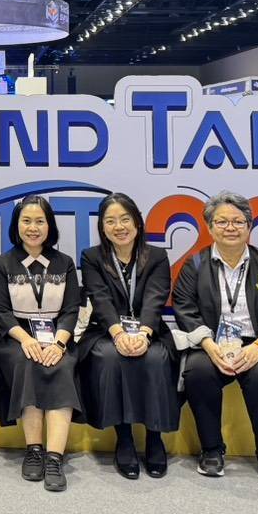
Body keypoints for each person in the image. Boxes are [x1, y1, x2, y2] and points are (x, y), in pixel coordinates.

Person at [172, 190, 258, 485]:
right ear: (209, 227)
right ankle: (211, 450)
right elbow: (184, 308)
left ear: (249, 227)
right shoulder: (195, 265)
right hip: (212, 343)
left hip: (257, 343)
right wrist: (208, 345)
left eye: (238, 222)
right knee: (198, 371)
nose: (231, 228)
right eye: (222, 221)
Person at [77, 193, 179, 479]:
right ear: (102, 226)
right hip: (106, 330)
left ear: (137, 222)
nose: (119, 227)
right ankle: (123, 438)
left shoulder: (156, 256)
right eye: (110, 221)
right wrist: (118, 334)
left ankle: (155, 437)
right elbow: (100, 299)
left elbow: (156, 297)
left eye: (125, 219)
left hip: (150, 329)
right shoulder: (92, 257)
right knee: (109, 357)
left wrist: (144, 333)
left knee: (156, 358)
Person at [0, 194, 81, 492]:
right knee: (27, 363)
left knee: (61, 366)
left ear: (49, 225)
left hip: (57, 335)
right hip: (16, 336)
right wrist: (26, 339)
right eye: (26, 221)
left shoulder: (64, 263)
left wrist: (59, 344)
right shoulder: (4, 263)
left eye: (39, 221)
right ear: (16, 226)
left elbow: (71, 310)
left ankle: (54, 457)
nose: (33, 228)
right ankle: (34, 450)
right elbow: (0, 310)